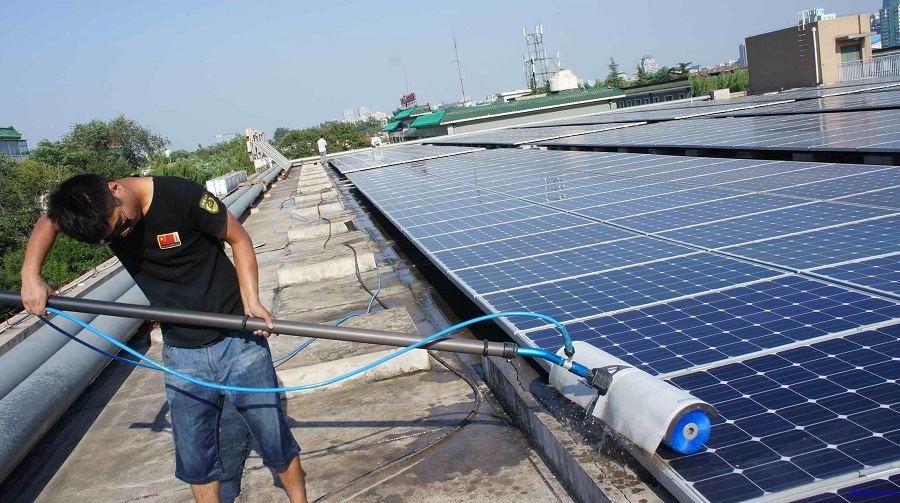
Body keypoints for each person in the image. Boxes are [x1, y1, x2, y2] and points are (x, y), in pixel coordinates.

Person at [20, 174, 308, 503]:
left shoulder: (183, 196)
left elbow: (239, 239)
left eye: (121, 224)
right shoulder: (95, 208)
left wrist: (251, 301)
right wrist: (30, 274)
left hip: (238, 340)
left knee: (273, 436)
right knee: (195, 455)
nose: (122, 233)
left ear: (115, 189)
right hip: (182, 353)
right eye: (111, 236)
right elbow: (49, 220)